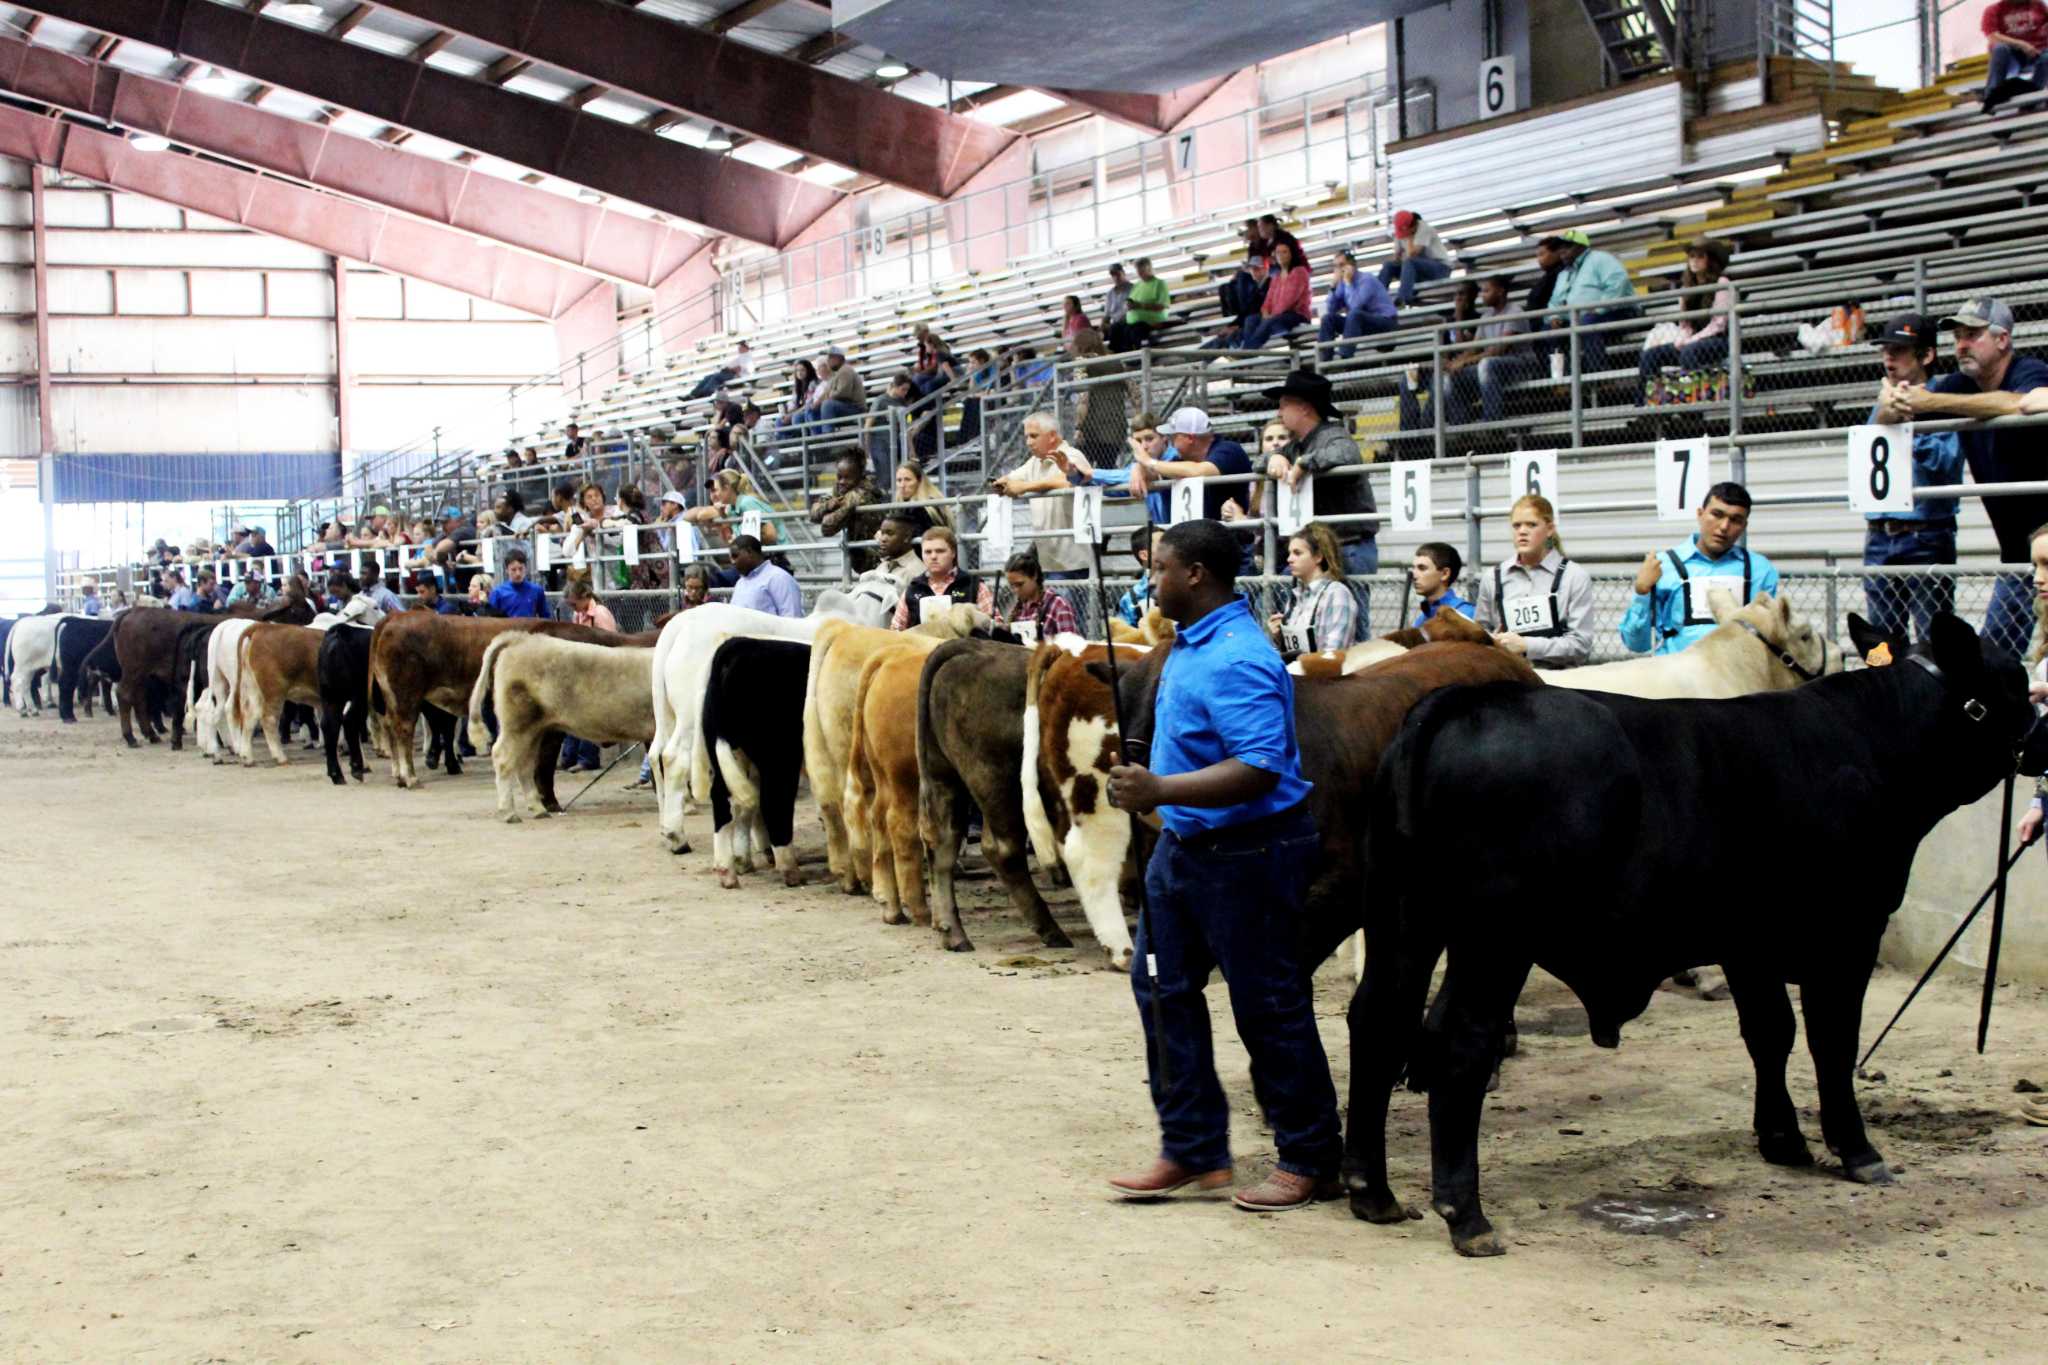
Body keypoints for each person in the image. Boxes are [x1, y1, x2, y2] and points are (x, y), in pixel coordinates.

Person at [1103, 518, 1337, 1212]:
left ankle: (1311, 1156)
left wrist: (1159, 789)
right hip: (1185, 847)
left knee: (1267, 1003)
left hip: (1251, 851)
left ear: (1196, 574)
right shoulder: (1189, 644)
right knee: (1161, 989)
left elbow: (1262, 767)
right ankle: (1194, 1147)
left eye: (1160, 569)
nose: (1153, 580)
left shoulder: (1238, 654)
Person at [1884, 296, 2048, 658]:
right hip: (2017, 553)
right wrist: (1891, 400)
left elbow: (2014, 403)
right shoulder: (1961, 384)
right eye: (1957, 336)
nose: (1960, 344)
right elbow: (1896, 412)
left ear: (2002, 339)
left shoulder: (2030, 371)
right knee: (1994, 655)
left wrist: (1930, 403)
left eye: (1972, 334)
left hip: (2043, 544)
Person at [1861, 314, 1965, 642]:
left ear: (1927, 355)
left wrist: (1905, 420)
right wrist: (1887, 414)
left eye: (1900, 349)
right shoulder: (1882, 402)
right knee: (1881, 643)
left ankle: (1934, 694)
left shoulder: (1945, 398)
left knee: (1933, 640)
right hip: (1879, 535)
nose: (1889, 357)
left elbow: (1945, 461)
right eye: (1885, 349)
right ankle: (1886, 690)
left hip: (1926, 535)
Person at [1619, 482, 1779, 656]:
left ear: (1744, 526)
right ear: (1700, 514)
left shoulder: (1760, 570)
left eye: (1735, 520)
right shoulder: (1664, 566)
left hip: (1736, 677)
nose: (1724, 527)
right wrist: (1642, 593)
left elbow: (1768, 640)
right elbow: (1636, 644)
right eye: (1717, 514)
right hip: (1677, 676)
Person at [1262, 370, 1378, 593]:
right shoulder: (1296, 445)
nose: (1279, 411)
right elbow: (1259, 462)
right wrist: (1274, 456)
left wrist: (1305, 463)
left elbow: (1347, 454)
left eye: (1284, 405)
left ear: (1304, 408)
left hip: (1348, 544)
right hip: (1324, 547)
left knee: (1354, 617)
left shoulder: (1334, 434)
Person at [1476, 493, 1594, 668]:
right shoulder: (1492, 577)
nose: (1522, 531)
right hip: (1509, 680)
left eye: (1531, 525)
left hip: (1561, 682)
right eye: (1516, 526)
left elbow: (1581, 646)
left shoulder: (1574, 577)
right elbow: (1480, 636)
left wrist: (1526, 646)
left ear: (1550, 529)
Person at [993, 413, 1094, 578]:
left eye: (1034, 436)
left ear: (1052, 435)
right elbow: (1011, 479)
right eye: (1026, 437)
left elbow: (1068, 480)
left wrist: (1025, 487)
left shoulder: (1072, 455)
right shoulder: (1034, 462)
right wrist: (1001, 484)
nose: (1028, 442)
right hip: (1047, 560)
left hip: (1073, 560)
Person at [1638, 238, 1735, 404]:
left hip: (1719, 340)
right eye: (1691, 257)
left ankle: (1692, 406)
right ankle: (1646, 404)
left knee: (1689, 351)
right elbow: (1685, 323)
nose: (1694, 261)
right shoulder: (1686, 288)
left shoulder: (1722, 283)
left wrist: (1692, 340)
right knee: (1650, 355)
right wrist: (1683, 338)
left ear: (1709, 260)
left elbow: (1718, 324)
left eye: (1700, 257)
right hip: (1693, 340)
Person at [1128, 407, 1254, 528]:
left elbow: (1199, 471)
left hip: (1229, 541)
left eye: (1174, 437)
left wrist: (1149, 461)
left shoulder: (1228, 450)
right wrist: (1139, 468)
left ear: (1190, 438)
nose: (1171, 442)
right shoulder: (1181, 459)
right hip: (1193, 540)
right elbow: (1154, 476)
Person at [1544, 229, 1637, 373]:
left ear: (1581, 246)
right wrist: (1555, 317)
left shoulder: (1600, 259)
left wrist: (1599, 308)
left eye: (1567, 246)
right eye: (1560, 248)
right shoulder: (1563, 274)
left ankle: (1599, 376)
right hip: (1578, 320)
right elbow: (1554, 302)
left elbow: (1618, 282)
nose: (1562, 251)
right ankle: (1565, 379)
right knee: (1549, 332)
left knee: (1587, 323)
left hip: (1618, 312)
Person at [1267, 521, 1357, 656]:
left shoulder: (1337, 594)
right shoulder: (1295, 597)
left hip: (1323, 675)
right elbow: (1294, 652)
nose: (1289, 559)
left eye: (1297, 553)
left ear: (1318, 557)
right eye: (1290, 553)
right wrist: (1280, 637)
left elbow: (1333, 656)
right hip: (1299, 673)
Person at [892, 524, 995, 629]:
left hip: (964, 644)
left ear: (953, 553)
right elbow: (896, 629)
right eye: (928, 552)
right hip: (921, 644)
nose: (933, 556)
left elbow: (993, 627)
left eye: (940, 551)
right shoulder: (912, 589)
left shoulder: (975, 586)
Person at [810, 449, 886, 573]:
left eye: (847, 478)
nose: (842, 482)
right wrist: (829, 505)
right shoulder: (840, 489)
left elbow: (827, 527)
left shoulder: (860, 493)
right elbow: (813, 514)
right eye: (839, 477)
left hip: (878, 560)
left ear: (859, 476)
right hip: (863, 561)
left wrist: (827, 509)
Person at [1317, 250, 1398, 360]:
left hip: (1385, 322)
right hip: (1361, 323)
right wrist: (1333, 288)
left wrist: (1348, 283)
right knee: (1328, 319)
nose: (1339, 270)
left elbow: (1356, 305)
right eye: (1335, 267)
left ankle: (1345, 357)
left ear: (1352, 265)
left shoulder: (1366, 280)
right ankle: (1325, 360)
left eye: (1342, 265)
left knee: (1354, 314)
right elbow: (1330, 309)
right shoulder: (1342, 284)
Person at [1237, 241, 1312, 350]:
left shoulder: (1299, 272)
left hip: (1296, 315)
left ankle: (1246, 353)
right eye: (1278, 253)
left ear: (1291, 254)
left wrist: (1271, 315)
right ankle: (1249, 356)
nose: (1280, 255)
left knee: (1270, 322)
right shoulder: (1276, 277)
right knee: (1251, 320)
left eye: (1284, 252)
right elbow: (1268, 300)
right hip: (1276, 317)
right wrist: (1265, 312)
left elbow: (1289, 300)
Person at [1070, 329, 1129, 466]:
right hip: (1115, 428)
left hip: (1091, 429)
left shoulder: (1082, 362)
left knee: (1080, 470)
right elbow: (1135, 391)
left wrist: (1078, 426)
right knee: (1106, 471)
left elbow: (1083, 397)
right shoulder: (1116, 362)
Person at [1982, 0, 2048, 113]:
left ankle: (2033, 97)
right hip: (2012, 55)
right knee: (1999, 49)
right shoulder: (1994, 10)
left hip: (2038, 52)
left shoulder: (2038, 5)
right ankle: (1991, 95)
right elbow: (1993, 36)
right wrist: (2021, 45)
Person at [1379, 209, 1452, 307]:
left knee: (1410, 261)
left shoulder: (1424, 229)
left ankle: (1403, 299)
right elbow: (1397, 257)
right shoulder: (1399, 232)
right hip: (1417, 271)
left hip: (1440, 268)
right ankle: (1377, 298)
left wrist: (1409, 237)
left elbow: (1413, 254)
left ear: (1412, 227)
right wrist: (1397, 260)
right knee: (1388, 265)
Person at [1001, 552, 1080, 641]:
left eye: (1020, 584)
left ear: (1034, 575)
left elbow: (1070, 649)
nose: (1015, 590)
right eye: (1012, 585)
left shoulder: (1058, 606)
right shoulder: (1018, 609)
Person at [1108, 256, 1172, 352]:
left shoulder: (1159, 284)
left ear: (1148, 268)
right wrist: (1128, 305)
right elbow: (1131, 300)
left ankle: (1140, 355)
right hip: (1133, 320)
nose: (1139, 273)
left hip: (1151, 320)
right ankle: (1120, 355)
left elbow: (1163, 306)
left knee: (1135, 330)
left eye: (1141, 270)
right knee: (1115, 328)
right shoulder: (1138, 285)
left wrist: (1140, 306)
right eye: (1138, 270)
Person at [727, 534, 801, 617]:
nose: (732, 562)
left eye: (735, 556)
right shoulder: (740, 583)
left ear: (749, 552)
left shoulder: (778, 578)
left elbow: (792, 617)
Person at [1411, 542, 1477, 625]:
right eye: (1413, 568)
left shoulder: (1466, 615)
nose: (1414, 575)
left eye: (1422, 568)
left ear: (1445, 574)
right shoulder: (1420, 620)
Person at [1116, 526, 1164, 626]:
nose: (1171, 549)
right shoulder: (1131, 599)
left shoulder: (1187, 585)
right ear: (1144, 555)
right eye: (1163, 546)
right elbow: (1125, 637)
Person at [892, 459, 953, 533]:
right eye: (899, 480)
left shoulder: (927, 507)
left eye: (907, 480)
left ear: (919, 481)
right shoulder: (900, 506)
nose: (902, 485)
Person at [814, 347, 866, 431]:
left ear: (837, 358)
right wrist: (817, 402)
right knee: (811, 410)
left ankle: (827, 437)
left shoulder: (845, 370)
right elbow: (827, 391)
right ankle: (816, 437)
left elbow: (843, 393)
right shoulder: (837, 373)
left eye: (829, 358)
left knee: (828, 405)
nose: (827, 362)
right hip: (847, 406)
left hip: (856, 408)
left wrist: (825, 398)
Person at [489, 550, 549, 618]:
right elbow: (492, 620)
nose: (518, 573)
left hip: (530, 628)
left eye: (521, 569)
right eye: (513, 570)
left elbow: (545, 617)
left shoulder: (537, 590)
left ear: (525, 568)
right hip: (507, 628)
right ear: (507, 570)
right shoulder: (498, 593)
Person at [1102, 264, 1132, 336]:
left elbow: (1131, 310)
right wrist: (1103, 325)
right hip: (1115, 325)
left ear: (1123, 273)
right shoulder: (1110, 294)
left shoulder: (1132, 289)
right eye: (1113, 275)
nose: (1116, 277)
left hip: (1128, 323)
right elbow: (1107, 315)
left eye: (1118, 274)